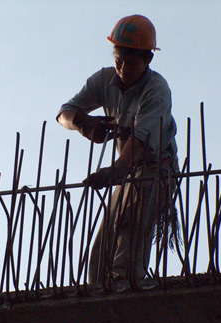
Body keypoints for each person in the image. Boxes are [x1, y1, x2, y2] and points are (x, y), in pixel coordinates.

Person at [56, 15, 179, 286]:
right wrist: (82, 124)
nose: (123, 68)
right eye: (118, 60)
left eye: (131, 62)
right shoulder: (104, 79)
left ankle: (125, 289)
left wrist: (116, 169)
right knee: (104, 245)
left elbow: (141, 139)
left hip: (155, 168)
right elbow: (64, 113)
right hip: (127, 172)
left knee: (132, 227)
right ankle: (99, 291)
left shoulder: (156, 89)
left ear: (148, 59)